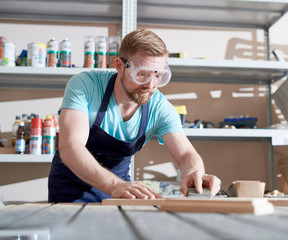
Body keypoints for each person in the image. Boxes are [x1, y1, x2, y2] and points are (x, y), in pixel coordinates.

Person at [48, 28, 221, 203]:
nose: (150, 85)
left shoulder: (159, 107)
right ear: (119, 66)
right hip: (70, 193)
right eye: (142, 74)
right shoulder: (85, 86)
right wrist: (114, 185)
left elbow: (185, 154)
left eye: (158, 75)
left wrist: (195, 174)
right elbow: (71, 148)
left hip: (121, 194)